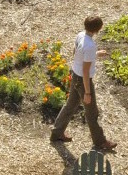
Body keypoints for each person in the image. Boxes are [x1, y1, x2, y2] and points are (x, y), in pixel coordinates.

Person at [50, 16, 117, 151]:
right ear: (98, 29)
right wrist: (87, 92)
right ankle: (100, 142)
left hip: (75, 75)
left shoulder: (81, 35)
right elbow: (86, 71)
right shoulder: (90, 45)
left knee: (70, 105)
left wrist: (95, 54)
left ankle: (56, 133)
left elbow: (76, 53)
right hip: (83, 80)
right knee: (92, 112)